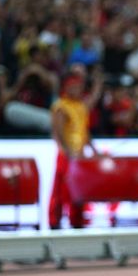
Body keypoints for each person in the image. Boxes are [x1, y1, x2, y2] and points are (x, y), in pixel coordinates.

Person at [48, 71, 103, 228]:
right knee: (60, 190)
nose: (77, 90)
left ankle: (77, 221)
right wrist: (67, 153)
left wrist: (94, 150)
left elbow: (84, 132)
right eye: (73, 87)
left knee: (79, 190)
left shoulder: (81, 106)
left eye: (79, 87)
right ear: (66, 88)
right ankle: (54, 221)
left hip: (79, 155)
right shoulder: (61, 106)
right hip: (66, 156)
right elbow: (57, 134)